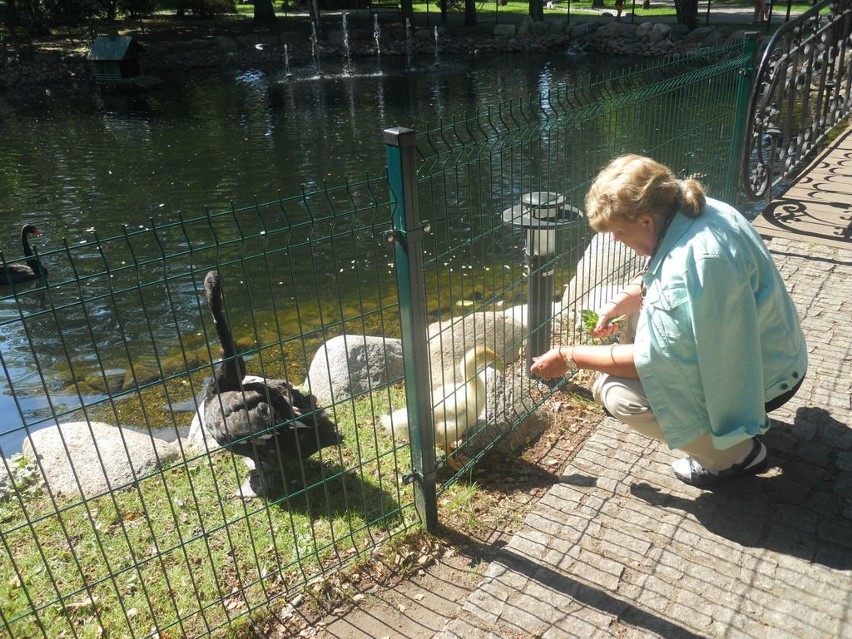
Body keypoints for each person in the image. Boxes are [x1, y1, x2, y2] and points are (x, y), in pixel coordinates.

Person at [530, 155, 807, 488]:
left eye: (618, 231)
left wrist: (569, 356)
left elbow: (651, 360)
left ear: (646, 221)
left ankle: (736, 456)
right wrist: (620, 303)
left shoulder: (693, 265)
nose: (616, 239)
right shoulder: (699, 210)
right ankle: (720, 434)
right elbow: (657, 277)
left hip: (766, 380)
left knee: (616, 393)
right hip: (779, 355)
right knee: (636, 316)